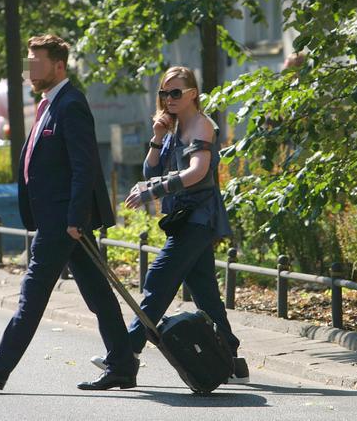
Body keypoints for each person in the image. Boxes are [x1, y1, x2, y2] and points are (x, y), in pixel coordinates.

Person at [0, 35, 138, 391]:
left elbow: (84, 166)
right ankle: (122, 364)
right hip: (59, 220)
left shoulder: (71, 104)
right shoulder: (47, 106)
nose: (30, 70)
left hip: (63, 221)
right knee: (98, 294)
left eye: (36, 62)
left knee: (33, 292)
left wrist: (75, 218)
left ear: (58, 65)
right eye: (29, 62)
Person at [89, 66, 249, 384]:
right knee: (204, 292)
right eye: (164, 93)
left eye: (176, 92)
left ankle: (125, 355)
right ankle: (232, 362)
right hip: (183, 220)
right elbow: (151, 170)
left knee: (159, 279)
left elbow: (198, 171)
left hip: (198, 219)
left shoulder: (202, 126)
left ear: (192, 94)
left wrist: (154, 190)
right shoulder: (174, 128)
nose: (169, 98)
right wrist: (158, 136)